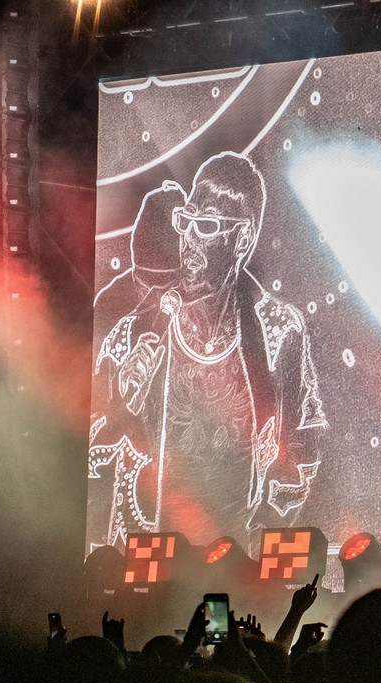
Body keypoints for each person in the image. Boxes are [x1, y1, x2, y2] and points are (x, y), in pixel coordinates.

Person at [88, 151, 326, 554]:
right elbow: (87, 447)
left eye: (208, 226)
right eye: (186, 221)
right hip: (149, 560)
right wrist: (120, 404)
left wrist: (258, 538)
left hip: (236, 560)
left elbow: (304, 448)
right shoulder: (136, 332)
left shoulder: (279, 333)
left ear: (242, 239)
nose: (190, 240)